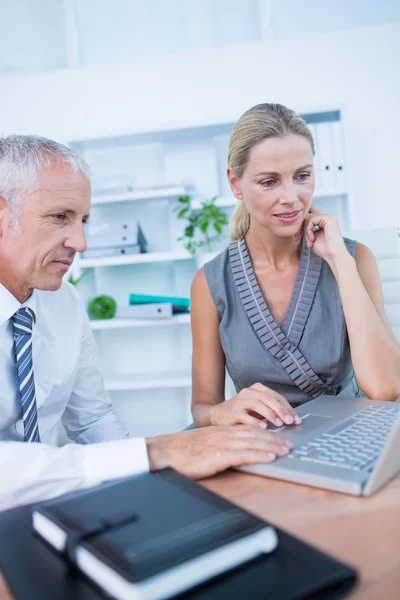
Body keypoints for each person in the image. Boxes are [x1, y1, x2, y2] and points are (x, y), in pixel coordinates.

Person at [0, 135, 294, 513]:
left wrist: (147, 492)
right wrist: (153, 454)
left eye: (84, 220)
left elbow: (92, 420)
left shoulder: (65, 303)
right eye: (59, 217)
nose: (81, 242)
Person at [191, 103, 400, 429]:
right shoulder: (210, 282)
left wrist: (339, 262)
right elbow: (203, 408)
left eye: (302, 176)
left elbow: (386, 389)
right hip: (262, 448)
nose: (291, 197)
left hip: (347, 440)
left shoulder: (355, 260)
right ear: (235, 184)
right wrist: (221, 412)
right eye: (269, 182)